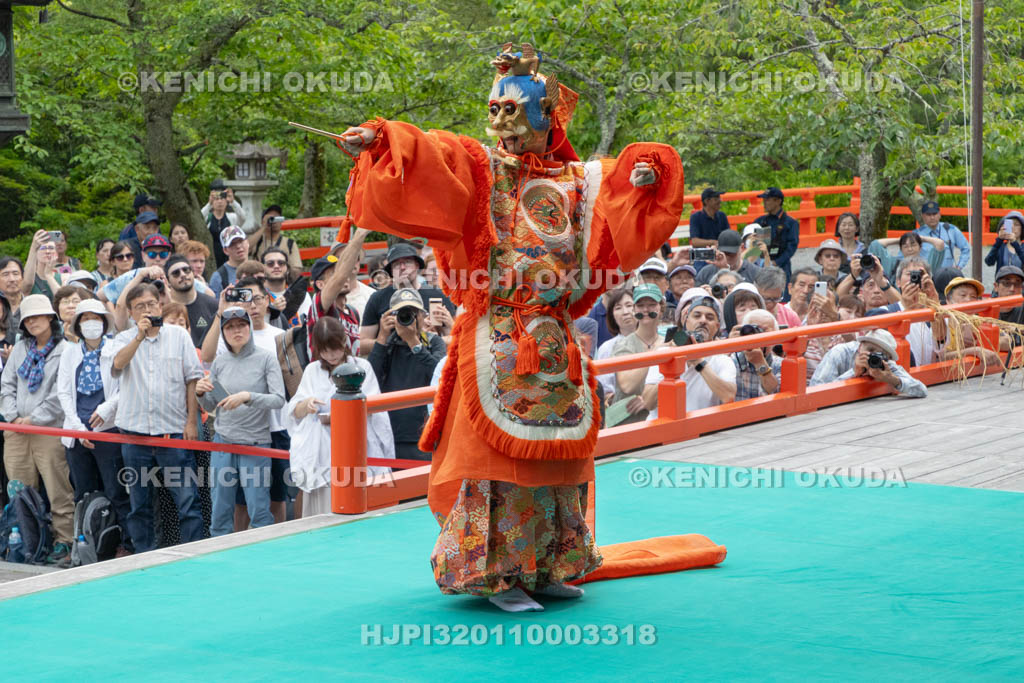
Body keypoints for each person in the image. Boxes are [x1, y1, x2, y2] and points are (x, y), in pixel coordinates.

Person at [338, 45, 684, 612]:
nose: (500, 121)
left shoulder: (577, 181)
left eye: (514, 110)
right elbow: (436, 155)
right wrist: (382, 141)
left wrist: (643, 177)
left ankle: (547, 564)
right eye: (495, 109)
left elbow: (619, 196)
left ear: (547, 117)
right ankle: (493, 574)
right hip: (496, 334)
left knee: (557, 461)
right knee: (495, 468)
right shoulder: (482, 169)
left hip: (553, 340)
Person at [106, 283, 205, 553]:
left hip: (172, 432)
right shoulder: (123, 338)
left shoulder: (179, 336)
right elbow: (116, 366)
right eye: (140, 306)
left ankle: (193, 554)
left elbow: (192, 379)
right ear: (130, 312)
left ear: (160, 306)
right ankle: (143, 555)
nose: (147, 310)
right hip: (134, 435)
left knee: (187, 501)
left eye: (151, 304)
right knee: (139, 504)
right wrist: (138, 337)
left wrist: (190, 422)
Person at [282, 316, 394, 516]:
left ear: (344, 342)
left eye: (334, 348)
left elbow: (374, 408)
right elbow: (294, 411)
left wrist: (345, 413)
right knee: (322, 508)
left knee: (356, 500)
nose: (330, 355)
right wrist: (306, 405)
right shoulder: (312, 370)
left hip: (355, 445)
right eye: (324, 350)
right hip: (322, 451)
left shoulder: (362, 367)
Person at [196, 307, 285, 536]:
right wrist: (199, 393)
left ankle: (262, 555)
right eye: (230, 327)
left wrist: (248, 397)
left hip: (255, 443)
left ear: (249, 327)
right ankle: (219, 557)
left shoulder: (266, 358)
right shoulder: (219, 362)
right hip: (223, 441)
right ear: (223, 333)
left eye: (241, 325)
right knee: (220, 509)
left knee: (259, 508)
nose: (237, 331)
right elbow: (210, 405)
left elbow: (278, 399)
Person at [0, 295, 73, 564]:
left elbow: (60, 394)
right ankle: (25, 540)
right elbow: (6, 384)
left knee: (57, 489)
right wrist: (13, 416)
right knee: (18, 490)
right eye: (28, 318)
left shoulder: (65, 349)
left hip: (49, 431)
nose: (33, 322)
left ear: (50, 318)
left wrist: (34, 419)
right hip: (16, 430)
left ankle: (63, 541)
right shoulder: (20, 348)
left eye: (38, 316)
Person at [56, 299, 131, 552]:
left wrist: (107, 408)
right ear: (78, 324)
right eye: (85, 318)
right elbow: (64, 392)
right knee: (82, 493)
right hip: (77, 434)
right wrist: (78, 428)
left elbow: (125, 387)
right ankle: (85, 545)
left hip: (108, 431)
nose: (91, 323)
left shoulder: (116, 347)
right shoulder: (70, 352)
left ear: (104, 321)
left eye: (96, 317)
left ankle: (123, 544)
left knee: (116, 490)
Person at [367, 288, 446, 460]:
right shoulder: (386, 344)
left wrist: (414, 343)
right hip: (391, 433)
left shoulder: (434, 342)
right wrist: (381, 337)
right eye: (401, 313)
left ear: (422, 316)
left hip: (425, 432)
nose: (406, 318)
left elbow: (439, 375)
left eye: (412, 312)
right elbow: (370, 378)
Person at [359, 242, 456, 356]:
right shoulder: (378, 298)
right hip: (392, 369)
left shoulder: (438, 296)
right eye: (396, 264)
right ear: (391, 270)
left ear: (417, 265)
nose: (403, 267)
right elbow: (361, 346)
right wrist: (388, 338)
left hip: (430, 366)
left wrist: (431, 336)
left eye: (408, 262)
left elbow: (457, 340)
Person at [610, 284, 665, 423]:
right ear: (634, 309)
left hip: (659, 418)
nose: (646, 309)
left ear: (661, 308)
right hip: (629, 422)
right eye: (640, 305)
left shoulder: (666, 342)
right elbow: (627, 386)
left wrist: (648, 397)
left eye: (652, 304)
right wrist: (656, 353)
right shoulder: (624, 345)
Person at [674, 294, 737, 409]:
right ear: (686, 321)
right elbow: (648, 401)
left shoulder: (724, 361)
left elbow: (728, 396)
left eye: (710, 318)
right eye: (697, 316)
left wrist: (699, 362)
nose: (703, 321)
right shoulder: (665, 351)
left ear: (717, 326)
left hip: (702, 424)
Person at [835, 329, 928, 398]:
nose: (873, 356)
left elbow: (922, 390)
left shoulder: (887, 365)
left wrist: (892, 379)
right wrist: (854, 372)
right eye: (869, 350)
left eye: (880, 354)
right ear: (860, 347)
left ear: (888, 358)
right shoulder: (840, 353)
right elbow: (823, 389)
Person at [164, 255, 219, 348]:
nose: (183, 274)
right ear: (167, 281)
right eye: (176, 273)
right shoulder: (164, 309)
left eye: (186, 270)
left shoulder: (213, 304)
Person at [729, 309, 781, 401]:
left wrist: (760, 363)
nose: (756, 335)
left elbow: (779, 396)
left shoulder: (781, 364)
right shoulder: (730, 361)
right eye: (752, 329)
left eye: (763, 330)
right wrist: (728, 347)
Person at [594, 288, 637, 398]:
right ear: (612, 315)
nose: (625, 312)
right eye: (618, 308)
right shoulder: (607, 348)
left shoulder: (653, 340)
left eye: (629, 305)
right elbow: (604, 389)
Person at [753, 187, 799, 285]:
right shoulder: (760, 221)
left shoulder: (790, 223)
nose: (764, 203)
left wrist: (776, 262)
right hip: (761, 265)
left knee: (783, 296)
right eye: (764, 200)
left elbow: (791, 248)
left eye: (767, 200)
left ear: (778, 201)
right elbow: (753, 244)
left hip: (781, 266)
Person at [249, 205, 303, 280]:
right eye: (271, 218)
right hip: (260, 281)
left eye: (277, 218)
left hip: (283, 281)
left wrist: (280, 268)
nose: (274, 221)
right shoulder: (257, 241)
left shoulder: (289, 243)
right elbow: (246, 247)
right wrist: (264, 227)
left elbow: (297, 270)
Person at [202, 180, 247, 267]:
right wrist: (209, 204)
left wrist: (232, 201)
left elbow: (243, 218)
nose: (220, 202)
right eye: (216, 199)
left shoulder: (231, 218)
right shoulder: (208, 218)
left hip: (228, 257)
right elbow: (198, 217)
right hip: (211, 257)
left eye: (222, 198)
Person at [867, 231, 945, 281]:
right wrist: (899, 240)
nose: (910, 249)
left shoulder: (927, 264)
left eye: (913, 245)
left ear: (920, 247)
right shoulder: (894, 264)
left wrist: (922, 238)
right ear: (901, 249)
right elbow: (875, 245)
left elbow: (940, 244)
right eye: (905, 246)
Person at [914, 201, 970, 270]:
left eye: (934, 214)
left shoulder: (951, 230)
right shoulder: (916, 234)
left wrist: (959, 267)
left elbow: (966, 249)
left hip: (946, 274)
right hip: (926, 274)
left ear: (939, 214)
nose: (932, 217)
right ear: (923, 216)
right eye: (928, 215)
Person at [696, 230, 761, 285]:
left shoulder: (755, 272)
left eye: (732, 254)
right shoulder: (706, 273)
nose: (727, 258)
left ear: (742, 248)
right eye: (723, 253)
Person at [689, 188, 731, 271]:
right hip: (703, 255)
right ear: (707, 201)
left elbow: (728, 236)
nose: (720, 200)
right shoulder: (696, 217)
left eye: (719, 198)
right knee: (701, 269)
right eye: (716, 199)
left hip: (720, 252)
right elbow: (695, 242)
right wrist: (714, 242)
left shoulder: (722, 216)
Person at [209, 226, 250, 298]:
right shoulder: (219, 277)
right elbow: (215, 306)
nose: (238, 246)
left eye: (240, 241)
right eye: (232, 244)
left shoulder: (260, 269)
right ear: (225, 250)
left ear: (248, 242)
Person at [22, 229, 61, 300]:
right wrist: (33, 247)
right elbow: (26, 286)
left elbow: (62, 299)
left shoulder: (64, 277)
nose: (47, 251)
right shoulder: (30, 278)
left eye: (51, 248)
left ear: (56, 253)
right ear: (36, 253)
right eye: (43, 248)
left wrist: (48, 275)